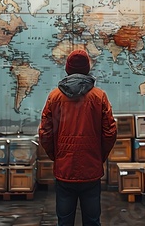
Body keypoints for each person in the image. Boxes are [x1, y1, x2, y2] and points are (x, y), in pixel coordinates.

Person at [38, 49, 117, 226]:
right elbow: (110, 131)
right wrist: (99, 156)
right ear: (87, 69)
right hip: (91, 169)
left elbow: (45, 133)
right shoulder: (99, 97)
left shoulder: (54, 97)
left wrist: (57, 156)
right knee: (92, 220)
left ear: (67, 69)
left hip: (65, 169)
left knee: (64, 221)